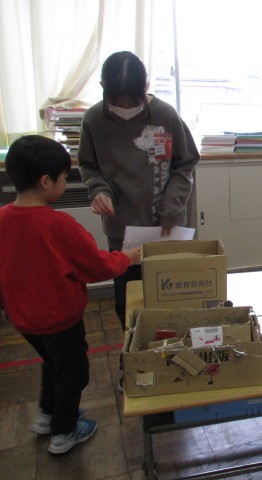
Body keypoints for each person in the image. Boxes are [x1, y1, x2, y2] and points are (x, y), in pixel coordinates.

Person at [0, 135, 141, 454]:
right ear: (45, 181)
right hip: (59, 320)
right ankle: (64, 430)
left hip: (24, 320)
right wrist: (127, 258)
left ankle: (47, 415)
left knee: (52, 363)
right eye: (65, 178)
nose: (66, 183)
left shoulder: (2, 219)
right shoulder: (59, 225)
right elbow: (95, 266)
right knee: (73, 373)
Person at [78, 51, 200, 330]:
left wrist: (172, 205)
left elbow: (186, 163)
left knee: (171, 301)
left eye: (133, 101)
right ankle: (133, 350)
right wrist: (99, 191)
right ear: (103, 88)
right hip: (123, 232)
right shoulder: (94, 120)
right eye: (116, 101)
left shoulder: (165, 115)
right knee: (129, 304)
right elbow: (88, 165)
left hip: (167, 228)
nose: (125, 107)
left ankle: (172, 349)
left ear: (145, 87)